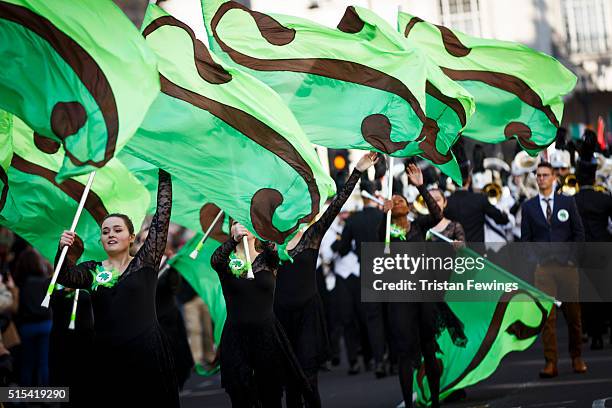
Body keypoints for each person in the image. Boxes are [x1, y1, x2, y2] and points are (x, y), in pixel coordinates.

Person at [56, 169, 179, 407]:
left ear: (131, 237)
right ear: (101, 240)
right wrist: (62, 250)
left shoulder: (146, 262)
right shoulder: (92, 270)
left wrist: (165, 174)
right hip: (107, 357)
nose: (111, 234)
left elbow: (162, 219)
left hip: (148, 354)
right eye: (105, 231)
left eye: (117, 229)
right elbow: (65, 276)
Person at [275, 152, 379, 407]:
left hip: (308, 313)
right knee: (290, 383)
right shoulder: (269, 244)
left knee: (309, 379)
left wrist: (357, 171)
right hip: (280, 316)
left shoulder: (313, 235)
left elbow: (337, 205)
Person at [379, 163, 466, 408]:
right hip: (400, 300)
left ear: (408, 207)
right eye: (394, 200)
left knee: (429, 347)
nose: (399, 201)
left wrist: (420, 186)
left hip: (425, 297)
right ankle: (408, 402)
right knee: (405, 353)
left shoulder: (419, 226)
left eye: (402, 199)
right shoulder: (386, 232)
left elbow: (438, 214)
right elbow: (378, 241)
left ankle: (436, 400)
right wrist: (382, 215)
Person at [211, 221, 314, 408]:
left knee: (271, 394)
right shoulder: (225, 261)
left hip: (266, 334)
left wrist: (261, 227)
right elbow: (215, 260)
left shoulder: (267, 258)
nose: (242, 224)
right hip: (236, 336)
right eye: (237, 221)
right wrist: (233, 241)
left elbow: (273, 252)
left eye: (246, 220)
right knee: (240, 395)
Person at [521, 162, 587, 378]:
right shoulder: (529, 207)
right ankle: (551, 362)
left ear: (553, 178)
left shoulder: (567, 202)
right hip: (544, 270)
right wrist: (535, 262)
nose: (541, 179)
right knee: (547, 319)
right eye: (538, 175)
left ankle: (577, 357)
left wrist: (572, 259)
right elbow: (526, 241)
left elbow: (578, 233)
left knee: (574, 316)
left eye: (545, 175)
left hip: (567, 268)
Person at [332, 177, 387, 378]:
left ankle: (379, 360)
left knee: (373, 319)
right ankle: (393, 359)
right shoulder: (384, 217)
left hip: (367, 273)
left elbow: (344, 246)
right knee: (390, 317)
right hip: (390, 271)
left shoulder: (354, 221)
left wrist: (339, 246)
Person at [14, 248, 52, 386]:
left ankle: (26, 396)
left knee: (27, 363)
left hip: (27, 326)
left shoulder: (20, 283)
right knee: (44, 362)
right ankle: (45, 396)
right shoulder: (45, 281)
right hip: (46, 324)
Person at [445, 168, 509, 242]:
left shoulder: (447, 201)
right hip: (477, 250)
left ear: (452, 181)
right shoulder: (480, 199)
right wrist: (505, 212)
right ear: (469, 179)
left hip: (455, 250)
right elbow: (501, 219)